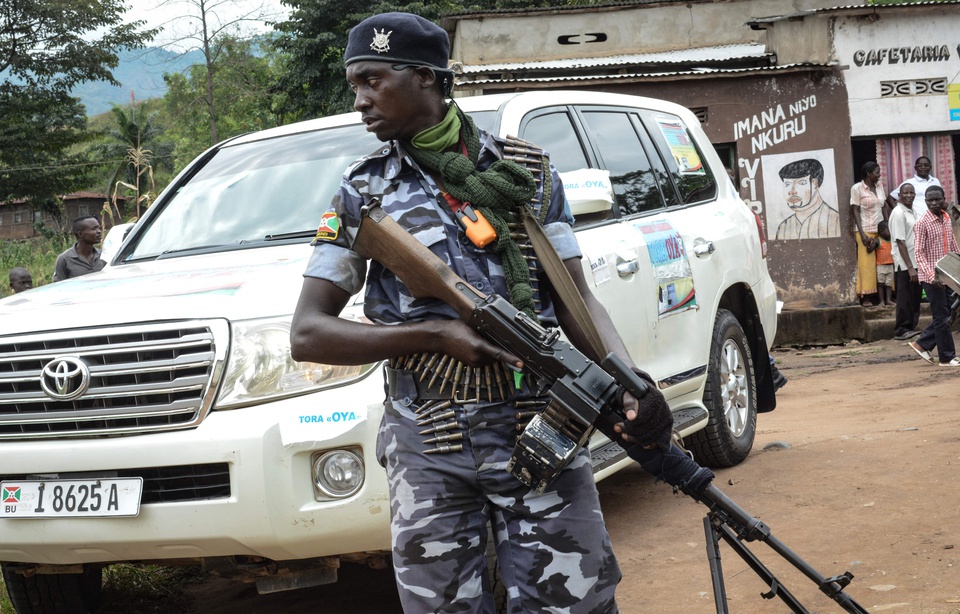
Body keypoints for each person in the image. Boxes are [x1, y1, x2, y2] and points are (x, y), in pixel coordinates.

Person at [289, 12, 673, 613]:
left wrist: (630, 382)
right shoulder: (362, 194)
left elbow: (577, 299)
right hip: (431, 444)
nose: (360, 100)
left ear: (426, 77)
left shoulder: (528, 171)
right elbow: (309, 333)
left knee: (573, 604)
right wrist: (432, 335)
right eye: (354, 84)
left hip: (544, 428)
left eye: (373, 81)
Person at [908, 186, 959, 367]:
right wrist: (932, 276)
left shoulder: (945, 218)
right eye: (930, 200)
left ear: (944, 198)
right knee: (941, 315)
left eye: (937, 199)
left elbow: (953, 246)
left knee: (948, 313)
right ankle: (946, 357)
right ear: (926, 201)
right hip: (931, 278)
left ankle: (922, 344)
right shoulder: (922, 223)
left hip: (947, 276)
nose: (934, 203)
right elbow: (919, 254)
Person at [775, 158, 840, 240]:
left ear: (815, 184)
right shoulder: (783, 227)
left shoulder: (836, 221)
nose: (792, 191)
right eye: (787, 184)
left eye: (801, 183)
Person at [889, 183, 923, 339]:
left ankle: (911, 326)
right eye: (906, 192)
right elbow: (900, 241)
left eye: (912, 192)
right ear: (899, 195)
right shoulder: (898, 213)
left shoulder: (912, 211)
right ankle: (902, 329)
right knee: (905, 298)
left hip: (916, 262)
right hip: (905, 264)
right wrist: (909, 267)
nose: (909, 195)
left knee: (914, 297)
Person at [850, 161, 886, 306]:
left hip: (880, 230)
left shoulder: (879, 186)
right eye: (877, 172)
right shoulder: (857, 188)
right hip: (864, 229)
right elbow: (855, 210)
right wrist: (863, 234)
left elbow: (883, 205)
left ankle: (885, 297)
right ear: (868, 174)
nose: (879, 175)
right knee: (867, 264)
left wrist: (888, 226)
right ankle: (866, 296)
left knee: (884, 261)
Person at [53, 216, 106, 281]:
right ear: (80, 234)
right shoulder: (64, 259)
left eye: (99, 228)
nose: (99, 231)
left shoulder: (103, 256)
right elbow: (58, 286)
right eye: (94, 229)